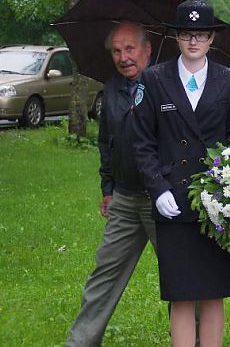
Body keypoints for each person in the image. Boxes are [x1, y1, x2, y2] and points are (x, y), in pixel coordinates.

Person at [133, 0, 230, 347]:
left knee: (213, 293)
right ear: (176, 38)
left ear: (212, 39)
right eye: (186, 34)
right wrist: (157, 187)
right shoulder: (153, 79)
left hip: (217, 203)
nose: (193, 41)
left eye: (201, 34)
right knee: (180, 294)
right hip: (174, 199)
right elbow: (142, 141)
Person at [66, 21, 156, 346]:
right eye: (117, 51)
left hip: (163, 201)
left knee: (182, 277)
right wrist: (108, 188)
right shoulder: (113, 89)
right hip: (126, 199)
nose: (123, 57)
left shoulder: (166, 86)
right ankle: (81, 342)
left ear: (147, 49)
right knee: (104, 276)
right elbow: (107, 142)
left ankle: (198, 339)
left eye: (130, 48)